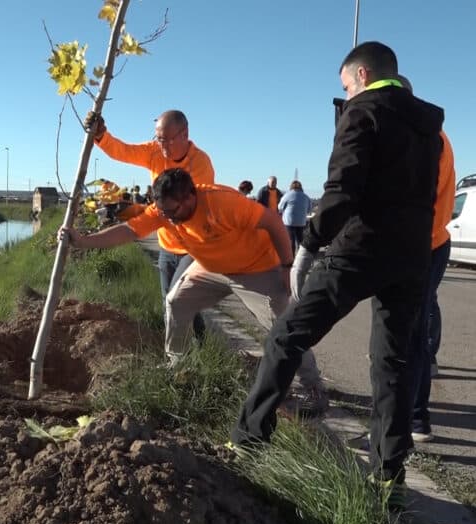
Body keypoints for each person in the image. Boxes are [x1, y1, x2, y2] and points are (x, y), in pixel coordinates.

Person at [230, 42, 444, 510]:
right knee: (393, 365)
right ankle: (389, 483)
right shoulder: (430, 126)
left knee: (287, 336)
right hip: (411, 256)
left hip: (359, 249)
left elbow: (343, 188)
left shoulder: (363, 110)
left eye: (346, 85)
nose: (345, 94)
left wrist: (308, 244)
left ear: (362, 75)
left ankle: (247, 442)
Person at [60, 168, 327, 413]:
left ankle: (313, 387)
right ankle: (179, 368)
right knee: (176, 301)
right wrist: (83, 242)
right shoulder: (164, 208)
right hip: (212, 268)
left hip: (255, 267)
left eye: (172, 211)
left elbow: (273, 222)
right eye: (162, 211)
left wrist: (286, 265)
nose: (167, 218)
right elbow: (129, 231)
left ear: (189, 197)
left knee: (282, 323)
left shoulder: (223, 203)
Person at [85, 109, 213, 342]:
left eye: (167, 140)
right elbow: (123, 151)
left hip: (193, 247)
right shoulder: (155, 152)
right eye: (158, 138)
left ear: (184, 133)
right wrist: (101, 135)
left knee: (176, 301)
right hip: (167, 246)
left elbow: (181, 212)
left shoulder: (200, 164)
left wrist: (134, 213)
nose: (161, 146)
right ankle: (187, 354)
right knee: (172, 302)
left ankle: (184, 357)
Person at [394, 74, 456, 444]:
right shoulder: (433, 134)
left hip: (418, 245)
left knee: (408, 330)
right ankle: (413, 414)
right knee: (418, 319)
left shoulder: (422, 138)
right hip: (431, 243)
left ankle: (414, 416)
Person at [277, 180, 312, 255]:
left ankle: (291, 258)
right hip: (301, 221)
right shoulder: (306, 196)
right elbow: (309, 209)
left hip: (289, 221)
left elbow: (280, 207)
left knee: (290, 240)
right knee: (300, 240)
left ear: (291, 187)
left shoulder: (287, 195)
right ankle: (301, 257)